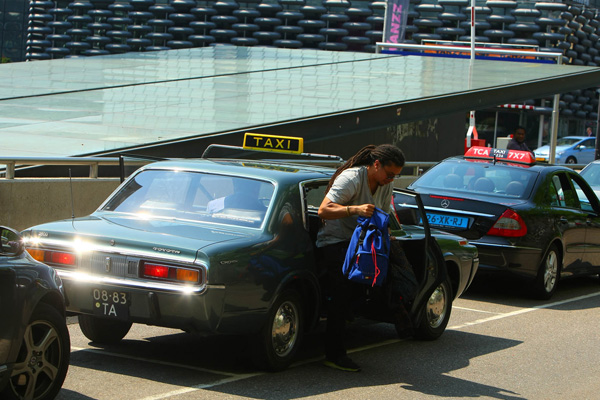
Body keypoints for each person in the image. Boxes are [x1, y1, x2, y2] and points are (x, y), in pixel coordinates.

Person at [316, 144, 405, 372]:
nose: (391, 179)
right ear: (376, 165)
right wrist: (353, 210)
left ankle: (345, 323)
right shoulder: (351, 178)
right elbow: (323, 210)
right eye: (389, 174)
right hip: (336, 242)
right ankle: (334, 354)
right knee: (341, 295)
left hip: (363, 244)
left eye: (396, 175)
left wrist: (389, 234)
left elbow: (383, 213)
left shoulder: (386, 184)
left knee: (371, 286)